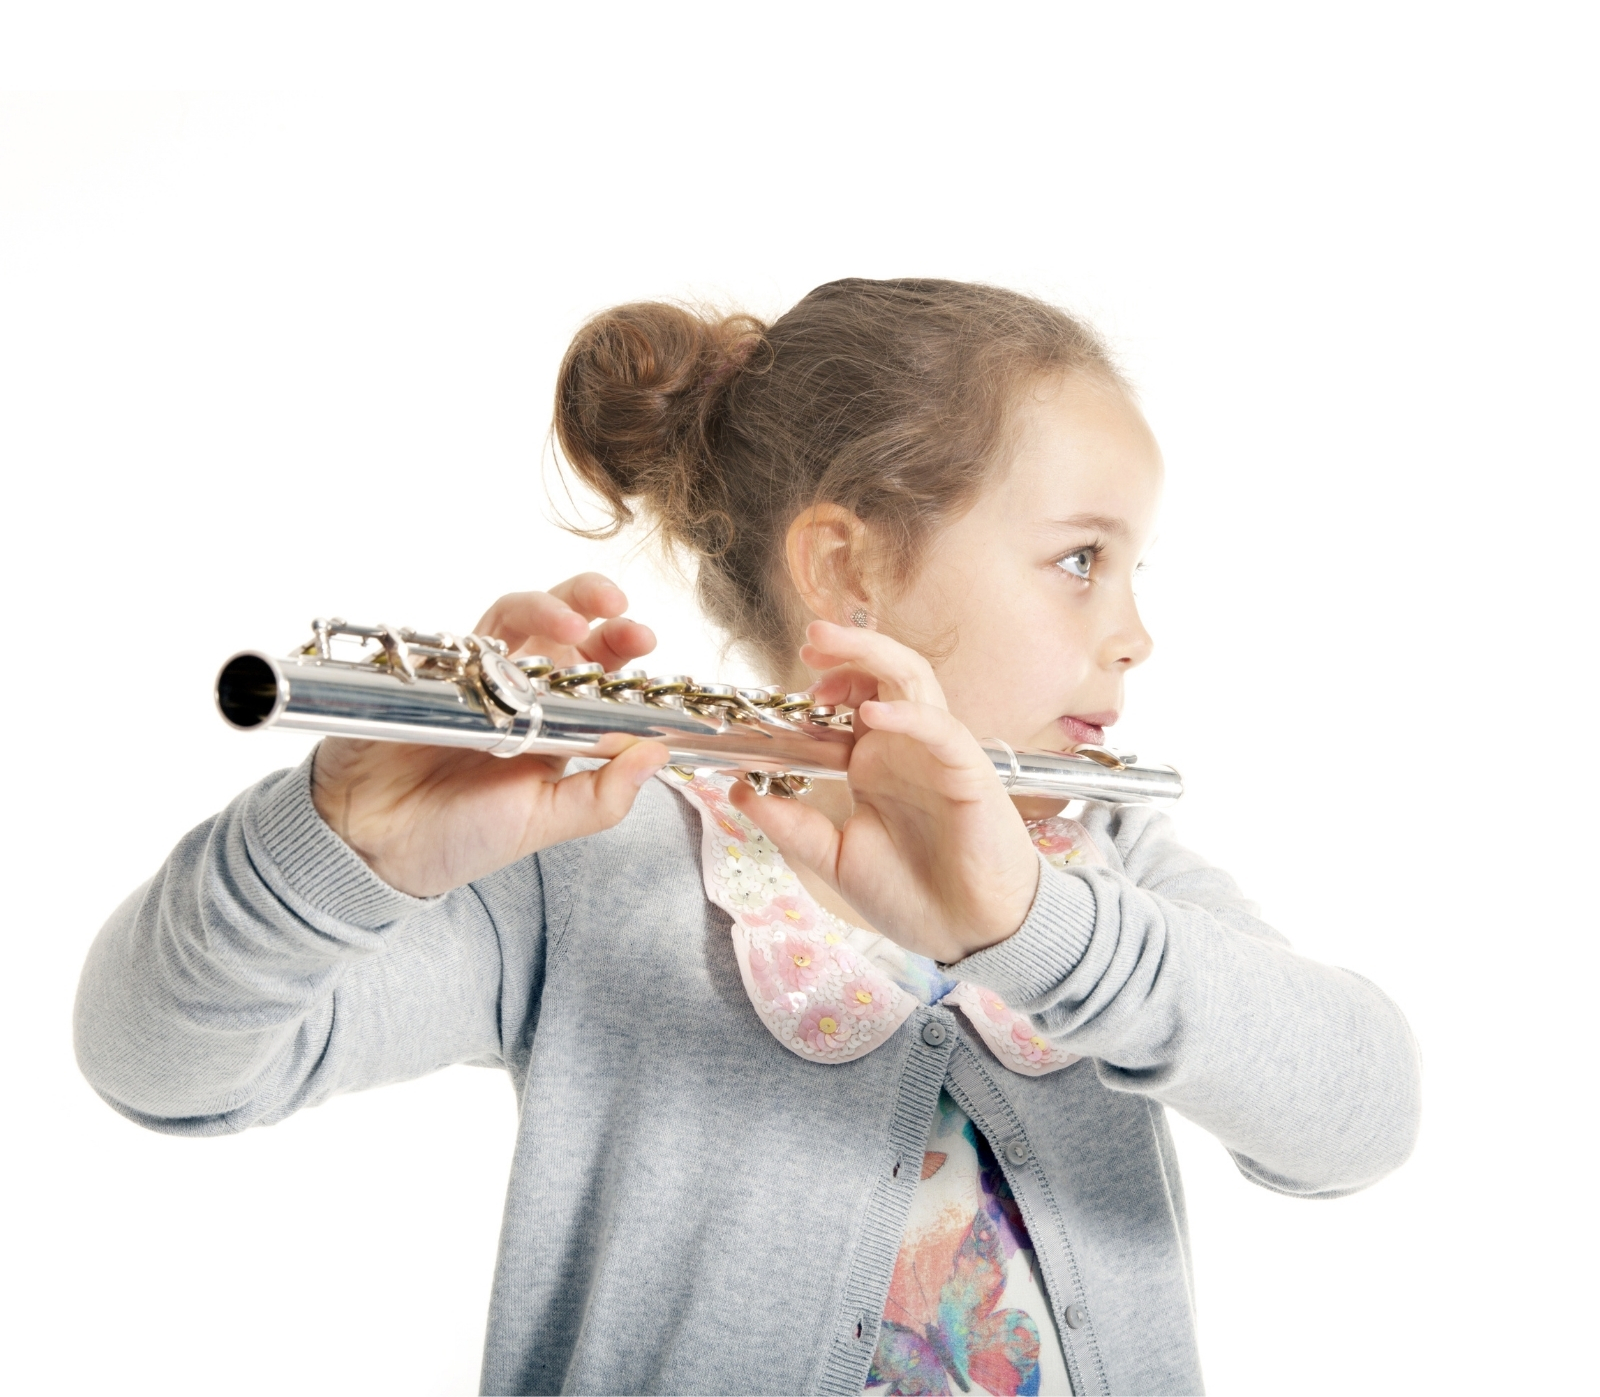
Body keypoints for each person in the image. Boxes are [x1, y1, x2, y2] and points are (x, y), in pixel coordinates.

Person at [75, 278, 1421, 1397]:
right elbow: (165, 1066)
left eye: (1136, 570)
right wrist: (334, 849)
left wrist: (1033, 925)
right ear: (848, 569)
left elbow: (1359, 1120)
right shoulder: (595, 860)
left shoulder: (1101, 873)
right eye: (1080, 559)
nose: (1133, 632)